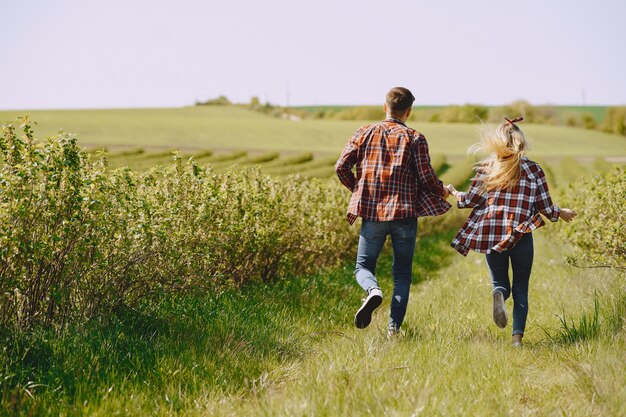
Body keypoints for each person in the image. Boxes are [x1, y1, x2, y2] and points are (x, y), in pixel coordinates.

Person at [446, 117, 577, 347]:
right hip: (520, 234)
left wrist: (455, 193)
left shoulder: (488, 168)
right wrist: (560, 212)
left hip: (491, 234)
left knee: (500, 282)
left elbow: (471, 200)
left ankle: (498, 293)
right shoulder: (533, 169)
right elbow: (544, 205)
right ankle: (517, 338)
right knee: (521, 287)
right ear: (521, 141)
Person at [335, 87, 450, 337]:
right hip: (405, 215)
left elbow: (341, 166)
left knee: (363, 267)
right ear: (408, 111)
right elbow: (427, 176)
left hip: (373, 213)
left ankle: (373, 291)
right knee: (402, 274)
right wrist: (443, 191)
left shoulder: (364, 132)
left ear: (384, 107)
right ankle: (393, 329)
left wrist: (360, 190)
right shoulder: (415, 138)